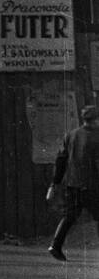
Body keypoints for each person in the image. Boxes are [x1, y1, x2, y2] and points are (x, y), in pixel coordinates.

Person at [47, 105, 99, 262]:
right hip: (93, 185)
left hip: (72, 184)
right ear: (96, 119)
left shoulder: (71, 135)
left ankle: (55, 245)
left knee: (69, 216)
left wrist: (54, 184)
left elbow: (60, 161)